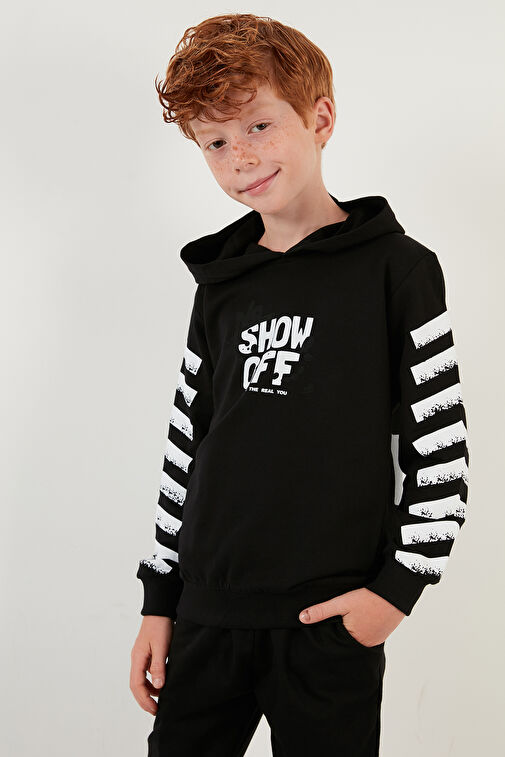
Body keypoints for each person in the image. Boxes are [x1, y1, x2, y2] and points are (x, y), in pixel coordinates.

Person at [130, 12, 470, 756]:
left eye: (258, 125)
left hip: (328, 621)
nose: (241, 157)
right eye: (216, 142)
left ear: (319, 119)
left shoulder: (398, 270)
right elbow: (186, 449)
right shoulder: (220, 285)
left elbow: (441, 453)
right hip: (207, 615)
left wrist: (393, 595)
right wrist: (161, 600)